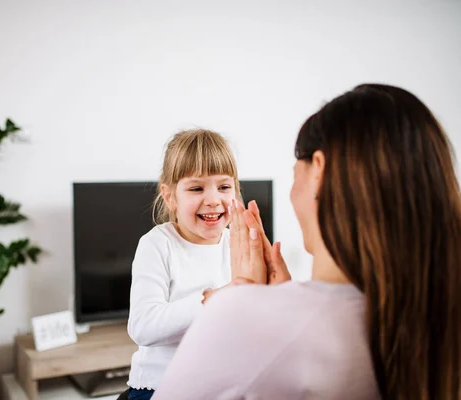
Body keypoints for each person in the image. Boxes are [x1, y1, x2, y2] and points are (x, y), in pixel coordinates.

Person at [153, 84, 461, 400]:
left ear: (318, 172)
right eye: (197, 189)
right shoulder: (437, 323)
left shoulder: (238, 313)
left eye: (294, 171)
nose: (213, 200)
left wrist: (249, 308)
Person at [126, 129, 249, 400]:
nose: (214, 200)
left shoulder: (238, 243)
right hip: (162, 387)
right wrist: (210, 302)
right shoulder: (158, 245)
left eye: (224, 187)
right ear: (170, 196)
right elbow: (142, 326)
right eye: (196, 188)